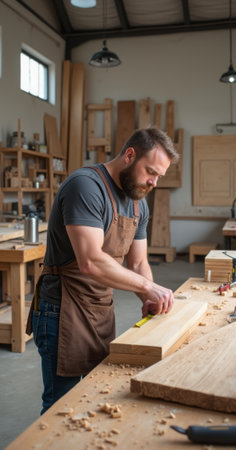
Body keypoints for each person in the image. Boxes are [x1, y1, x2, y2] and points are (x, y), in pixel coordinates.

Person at [26, 127, 179, 414]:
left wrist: (146, 298)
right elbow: (90, 261)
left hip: (100, 308)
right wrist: (147, 287)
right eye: (150, 171)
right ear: (129, 155)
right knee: (61, 407)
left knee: (96, 395)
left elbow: (137, 263)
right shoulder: (85, 186)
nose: (154, 182)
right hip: (62, 310)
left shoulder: (138, 202)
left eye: (159, 176)